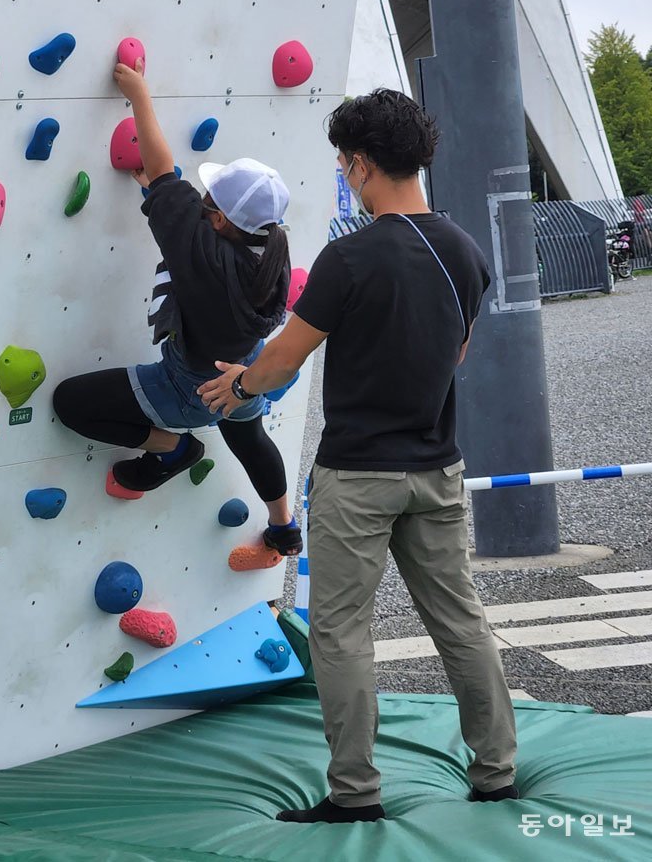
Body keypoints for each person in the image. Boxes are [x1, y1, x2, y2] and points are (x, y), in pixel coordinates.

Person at [199, 88, 518, 823]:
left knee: (342, 632)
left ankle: (356, 795)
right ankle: (497, 773)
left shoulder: (349, 257)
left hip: (357, 474)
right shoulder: (465, 251)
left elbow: (284, 356)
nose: (344, 172)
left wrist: (236, 385)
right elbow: (457, 351)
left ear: (363, 164)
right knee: (461, 622)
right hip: (437, 468)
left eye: (345, 162)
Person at [52, 59, 302, 557]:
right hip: (241, 373)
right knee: (251, 439)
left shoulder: (201, 250)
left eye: (209, 199)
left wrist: (139, 94)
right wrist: (157, 195)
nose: (202, 199)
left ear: (219, 219)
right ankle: (283, 528)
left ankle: (173, 448)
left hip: (186, 388)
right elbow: (166, 186)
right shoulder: (271, 251)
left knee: (68, 402)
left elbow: (165, 172)